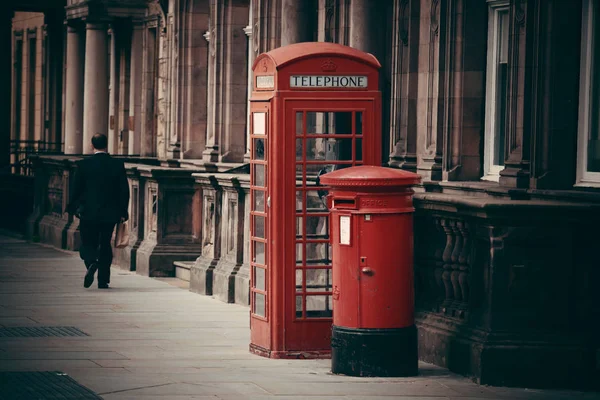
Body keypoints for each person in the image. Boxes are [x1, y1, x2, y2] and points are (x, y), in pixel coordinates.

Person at [67, 133, 129, 289]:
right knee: (105, 243)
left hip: (88, 212)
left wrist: (73, 206)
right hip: (110, 213)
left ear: (91, 145)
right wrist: (123, 211)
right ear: (106, 145)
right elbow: (124, 190)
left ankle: (91, 263)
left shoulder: (83, 165)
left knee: (88, 243)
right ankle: (103, 280)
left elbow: (76, 189)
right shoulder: (117, 165)